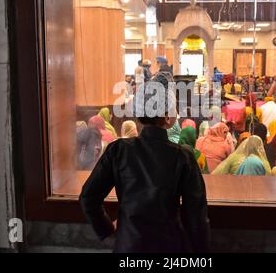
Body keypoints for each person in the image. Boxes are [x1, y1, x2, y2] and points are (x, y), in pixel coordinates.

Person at [80, 75, 210, 253]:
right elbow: (196, 218)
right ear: (167, 117)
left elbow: (88, 198)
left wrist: (107, 229)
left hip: (127, 245)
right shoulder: (183, 157)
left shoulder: (118, 150)